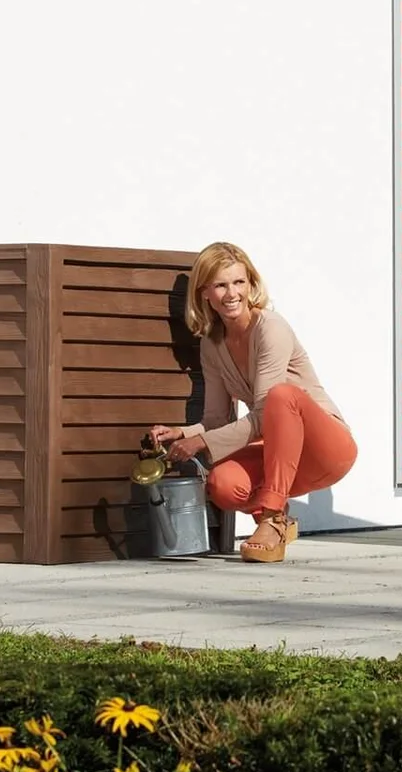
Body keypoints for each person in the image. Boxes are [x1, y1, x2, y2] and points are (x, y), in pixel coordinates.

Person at [148, 241, 356, 563]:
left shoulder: (271, 328)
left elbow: (263, 414)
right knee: (222, 484)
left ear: (250, 284)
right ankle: (279, 523)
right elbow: (217, 420)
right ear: (204, 292)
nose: (232, 294)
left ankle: (270, 516)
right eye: (221, 285)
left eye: (239, 282)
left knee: (281, 396)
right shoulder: (212, 344)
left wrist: (201, 442)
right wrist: (182, 433)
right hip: (280, 456)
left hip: (326, 449)